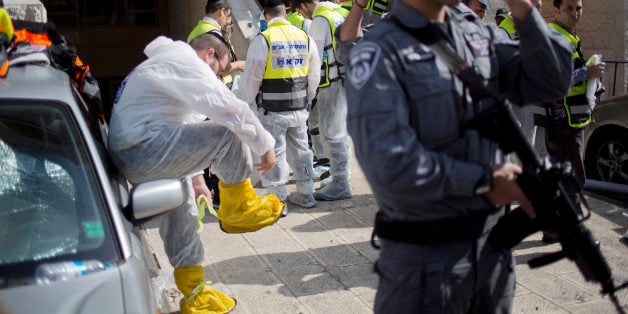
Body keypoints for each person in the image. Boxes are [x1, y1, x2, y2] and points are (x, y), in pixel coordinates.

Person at [345, 0, 573, 311]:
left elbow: (552, 83)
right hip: (426, 265)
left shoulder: (475, 34)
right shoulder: (380, 50)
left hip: (493, 253)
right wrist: (485, 181)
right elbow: (389, 165)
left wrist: (524, 10)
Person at [107, 34, 285, 313]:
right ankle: (239, 208)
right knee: (228, 132)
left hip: (138, 154)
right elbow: (227, 108)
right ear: (209, 55)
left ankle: (194, 294)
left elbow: (183, 126)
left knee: (183, 210)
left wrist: (197, 178)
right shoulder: (185, 61)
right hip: (143, 150)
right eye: (220, 69)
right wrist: (265, 146)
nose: (218, 76)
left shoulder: (164, 64)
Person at [239, 0, 321, 209]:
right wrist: (307, 99)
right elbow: (314, 74)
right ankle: (306, 194)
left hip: (272, 110)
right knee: (302, 150)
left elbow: (252, 77)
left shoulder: (264, 39)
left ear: (265, 16)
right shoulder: (304, 37)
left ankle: (278, 202)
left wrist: (249, 100)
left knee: (274, 153)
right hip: (299, 108)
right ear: (285, 14)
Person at [536, 0, 605, 243]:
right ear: (556, 11)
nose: (575, 13)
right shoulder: (557, 37)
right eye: (569, 9)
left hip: (568, 119)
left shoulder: (565, 35)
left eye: (579, 8)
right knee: (574, 178)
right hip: (563, 121)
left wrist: (592, 84)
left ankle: (553, 230)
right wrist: (588, 73)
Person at [293, 0, 352, 201]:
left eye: (301, 10)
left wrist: (308, 92)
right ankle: (340, 176)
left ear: (304, 5)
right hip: (347, 78)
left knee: (332, 135)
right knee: (342, 134)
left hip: (332, 84)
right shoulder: (338, 11)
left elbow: (314, 58)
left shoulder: (320, 19)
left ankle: (341, 183)